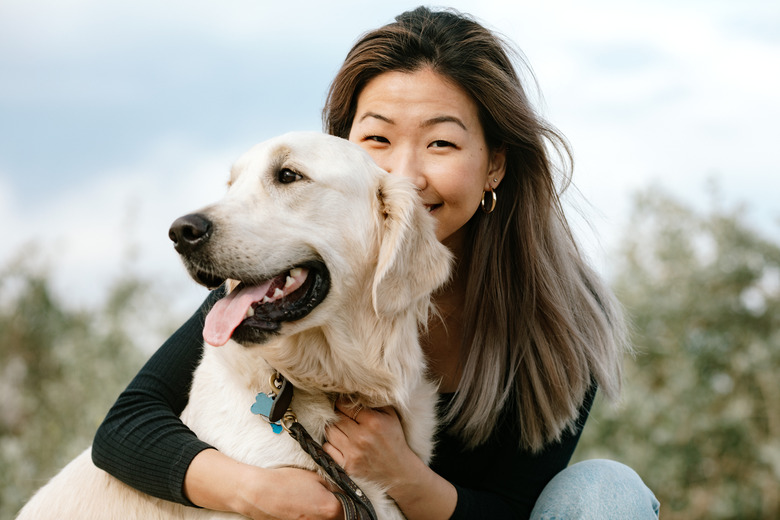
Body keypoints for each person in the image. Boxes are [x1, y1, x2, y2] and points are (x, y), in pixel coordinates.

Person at [92, 6, 660, 520]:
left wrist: (404, 477)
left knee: (607, 491)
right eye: (377, 140)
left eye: (441, 144)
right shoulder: (294, 278)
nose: (404, 174)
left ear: (494, 165)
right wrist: (262, 491)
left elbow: (515, 509)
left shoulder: (563, 315)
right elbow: (127, 427)